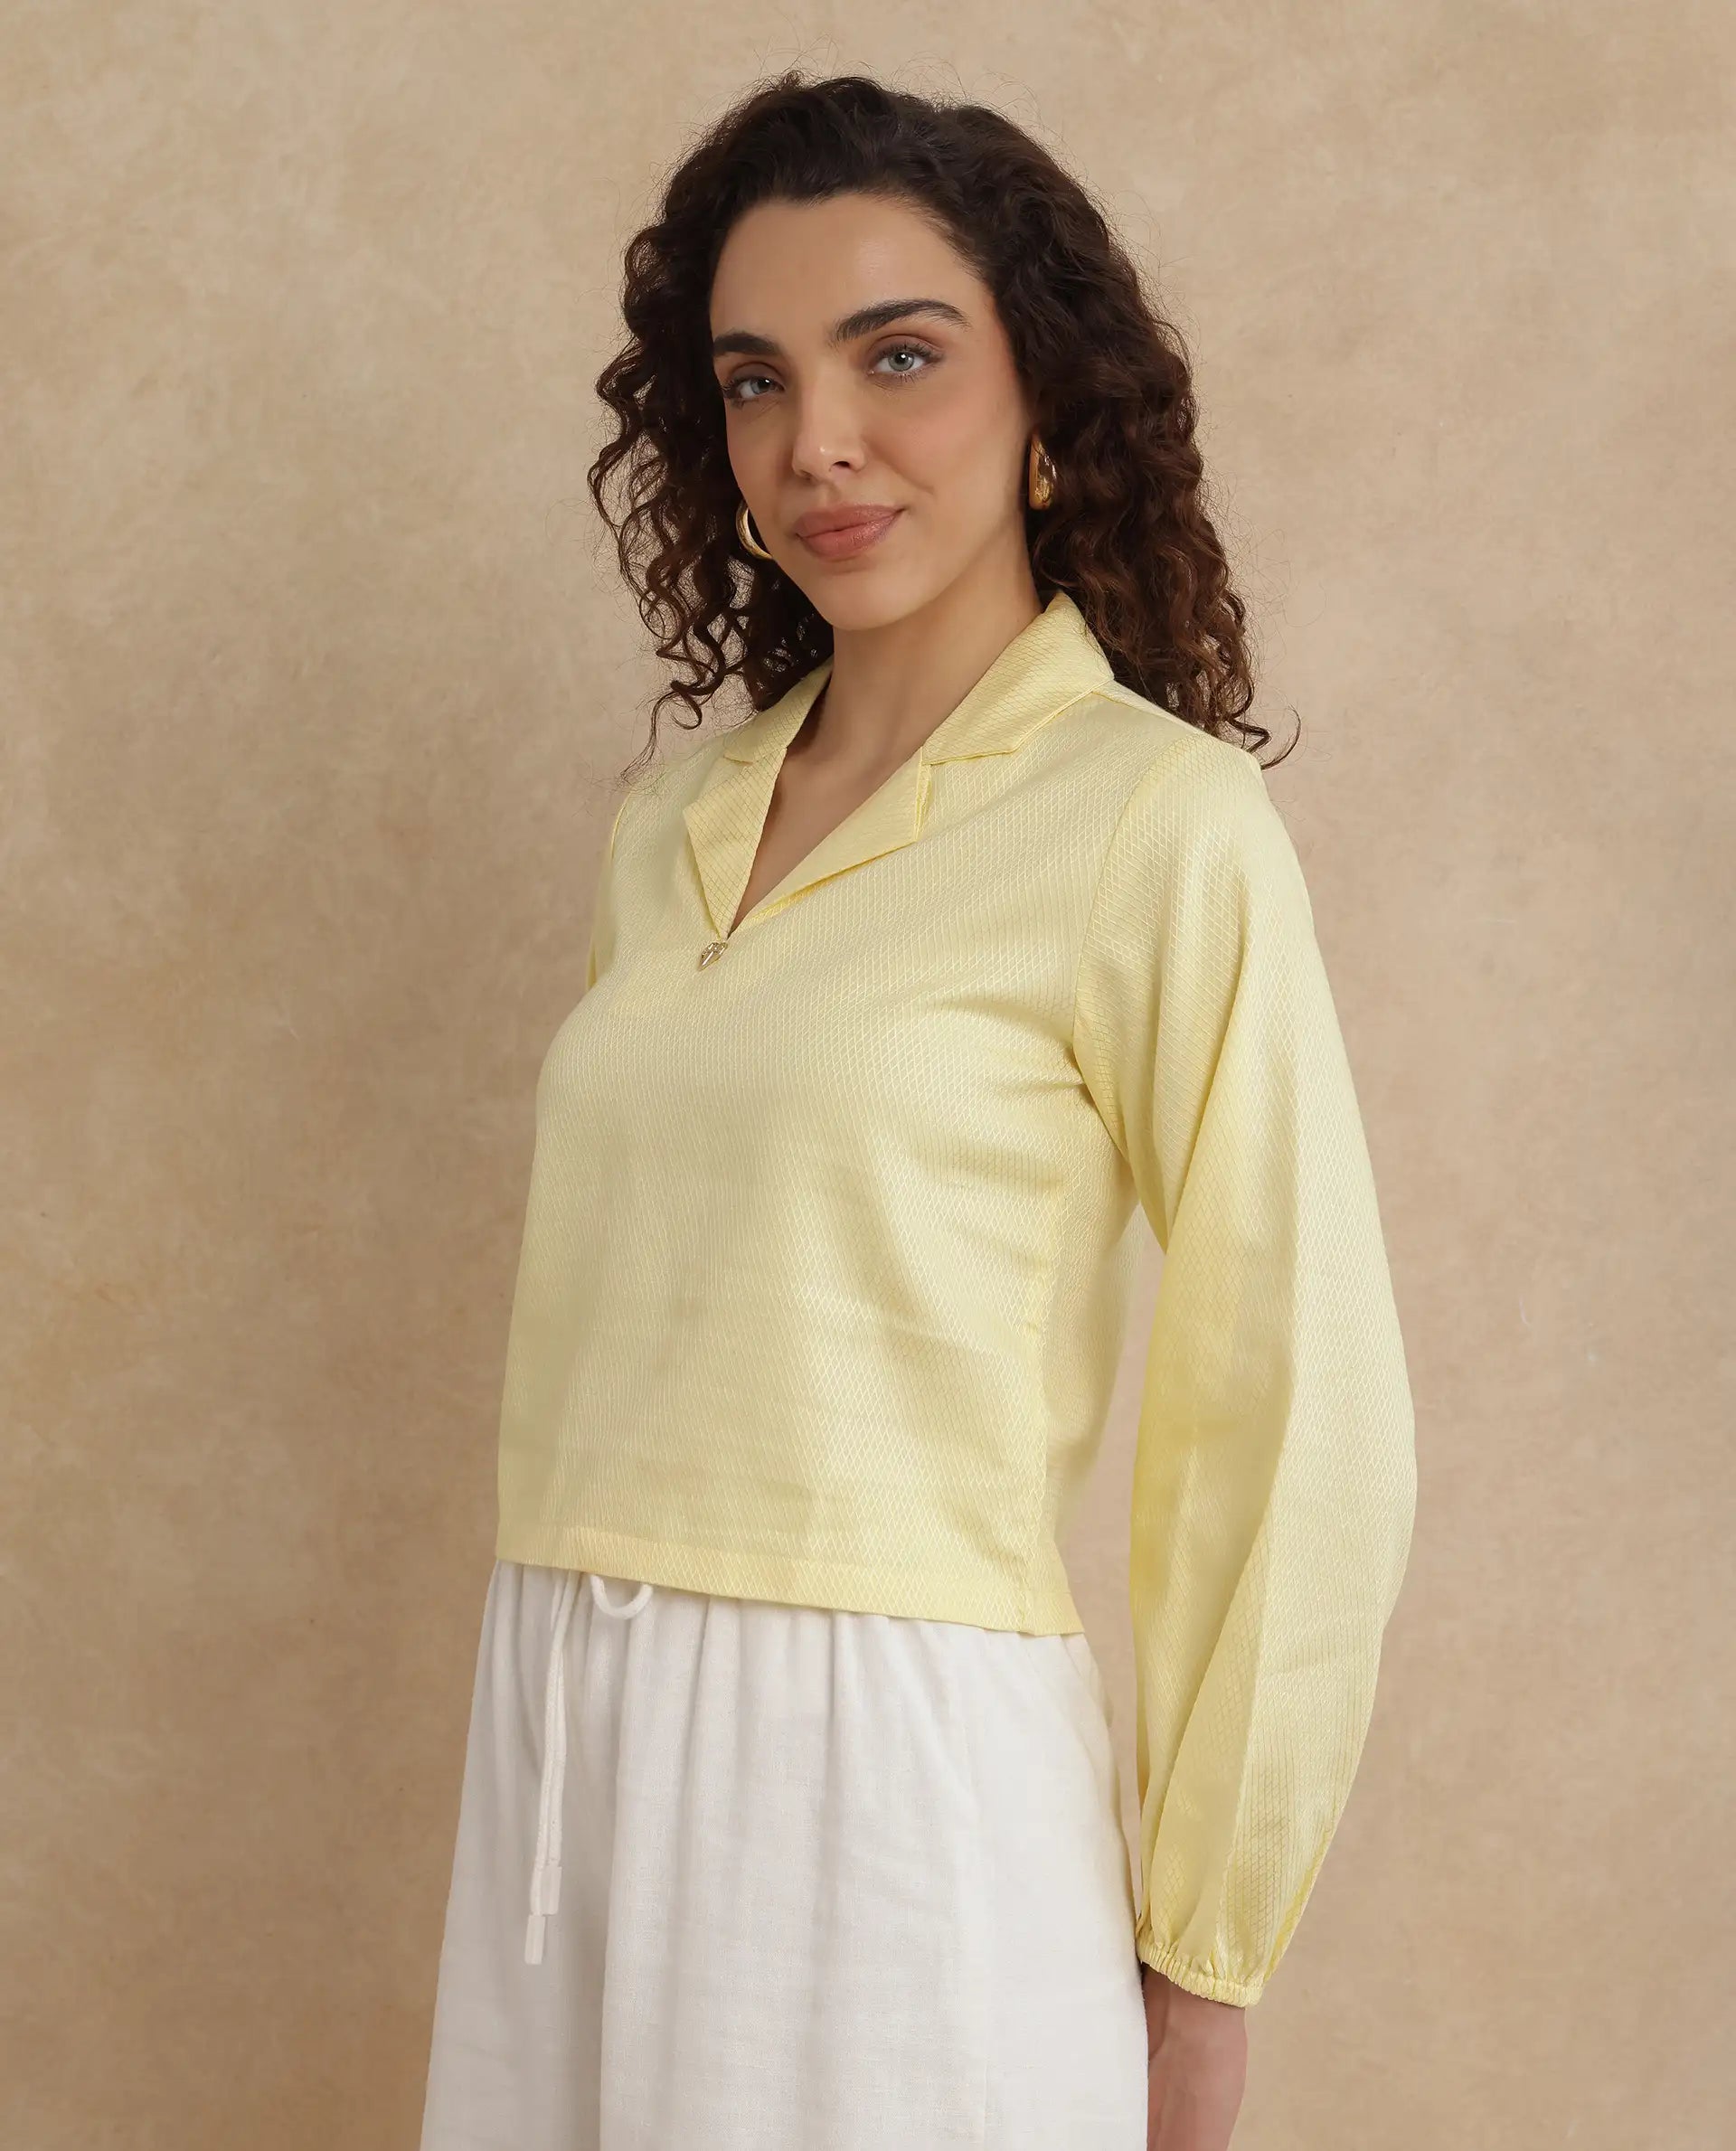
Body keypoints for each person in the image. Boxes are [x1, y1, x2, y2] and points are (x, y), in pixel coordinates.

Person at [418, 70, 1416, 2151]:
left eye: (899, 356)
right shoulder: (673, 821)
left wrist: (1206, 1948)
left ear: (1047, 395)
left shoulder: (1156, 822)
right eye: (755, 379)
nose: (819, 441)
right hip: (566, 1737)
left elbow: (1295, 1396)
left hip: (882, 1779)